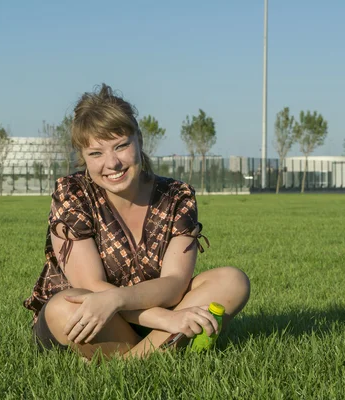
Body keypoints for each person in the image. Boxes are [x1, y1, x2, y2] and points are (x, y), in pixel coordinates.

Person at [23, 84, 250, 359]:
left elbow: (176, 282)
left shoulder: (176, 195)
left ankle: (131, 361)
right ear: (82, 157)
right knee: (65, 307)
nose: (112, 163)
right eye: (96, 153)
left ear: (139, 141)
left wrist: (119, 298)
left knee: (232, 281)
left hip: (156, 314)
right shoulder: (73, 194)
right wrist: (168, 322)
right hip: (98, 321)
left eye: (121, 146)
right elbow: (92, 286)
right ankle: (157, 352)